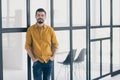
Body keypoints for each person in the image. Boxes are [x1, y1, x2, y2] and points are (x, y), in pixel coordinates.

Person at [25, 8, 58, 80]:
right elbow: (27, 46)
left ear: (45, 17)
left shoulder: (50, 30)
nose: (40, 17)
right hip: (37, 62)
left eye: (42, 15)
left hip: (48, 61)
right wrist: (33, 58)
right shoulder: (30, 30)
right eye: (38, 15)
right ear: (35, 16)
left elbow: (55, 45)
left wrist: (52, 57)